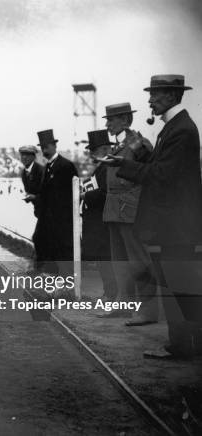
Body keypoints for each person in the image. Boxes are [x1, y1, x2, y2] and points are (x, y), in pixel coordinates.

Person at [104, 74, 202, 359]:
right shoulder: (175, 127)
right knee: (180, 285)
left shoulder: (179, 130)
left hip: (174, 225)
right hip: (175, 224)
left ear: (171, 96)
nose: (149, 100)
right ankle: (186, 344)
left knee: (178, 285)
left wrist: (125, 165)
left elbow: (162, 175)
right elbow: (162, 169)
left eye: (155, 95)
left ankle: (182, 346)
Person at [101, 103, 157, 323]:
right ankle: (124, 303)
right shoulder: (118, 145)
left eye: (111, 120)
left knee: (138, 260)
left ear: (125, 120)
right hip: (115, 208)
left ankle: (148, 310)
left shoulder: (138, 143)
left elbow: (150, 172)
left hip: (131, 207)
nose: (107, 124)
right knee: (119, 260)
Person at [34, 129, 78, 274]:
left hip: (62, 220)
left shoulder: (66, 165)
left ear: (54, 146)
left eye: (47, 145)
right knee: (50, 249)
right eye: (42, 146)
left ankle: (67, 284)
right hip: (50, 219)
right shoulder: (48, 167)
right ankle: (55, 281)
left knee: (63, 252)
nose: (44, 149)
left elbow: (70, 195)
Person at [80, 130, 117, 300]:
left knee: (106, 259)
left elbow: (105, 193)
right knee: (104, 261)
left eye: (93, 151)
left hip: (103, 222)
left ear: (103, 150)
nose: (91, 155)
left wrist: (85, 195)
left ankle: (111, 294)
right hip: (99, 221)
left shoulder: (108, 167)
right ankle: (109, 292)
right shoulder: (101, 167)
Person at [18, 145, 45, 265]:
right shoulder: (24, 173)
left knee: (38, 237)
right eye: (22, 155)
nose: (24, 157)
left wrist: (34, 197)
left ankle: (40, 266)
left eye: (27, 155)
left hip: (50, 210)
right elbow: (30, 190)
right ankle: (43, 265)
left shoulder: (41, 171)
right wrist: (30, 197)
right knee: (41, 238)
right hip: (40, 210)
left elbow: (49, 193)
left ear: (33, 157)